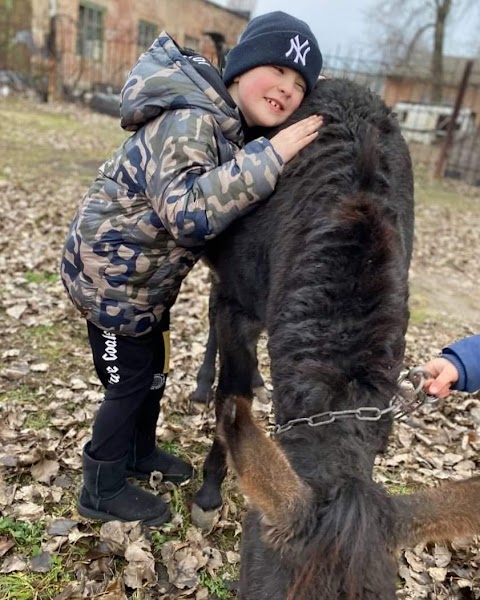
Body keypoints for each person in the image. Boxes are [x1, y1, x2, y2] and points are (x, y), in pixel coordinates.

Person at [60, 11, 323, 526]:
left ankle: (138, 452)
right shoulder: (191, 120)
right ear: (241, 69)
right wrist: (269, 159)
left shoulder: (226, 129)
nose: (288, 89)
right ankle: (101, 486)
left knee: (153, 374)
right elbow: (187, 212)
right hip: (109, 280)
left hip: (144, 284)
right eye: (278, 70)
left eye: (299, 85)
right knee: (128, 383)